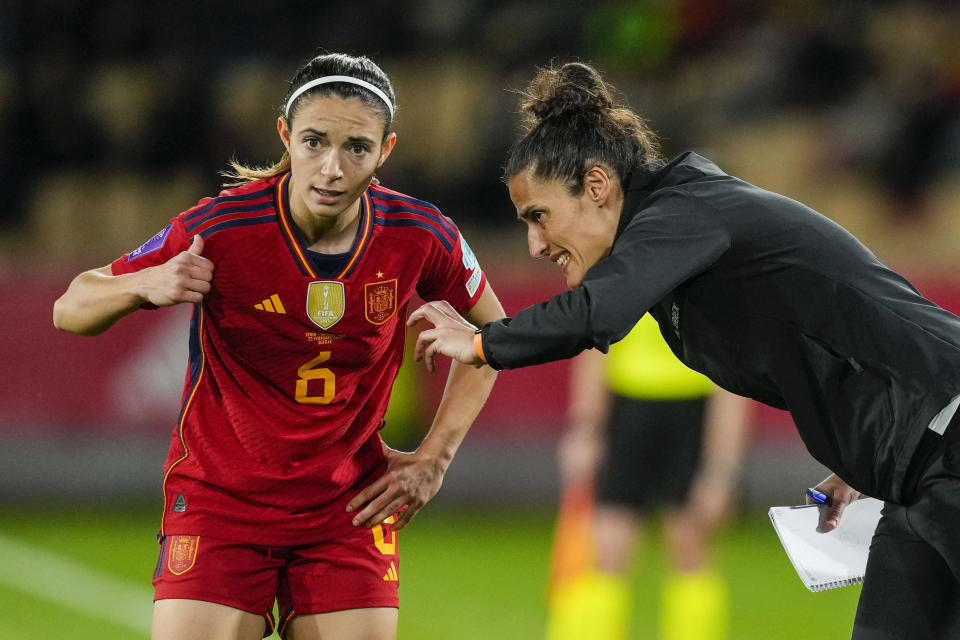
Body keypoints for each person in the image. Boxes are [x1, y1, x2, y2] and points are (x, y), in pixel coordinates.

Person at [408, 61, 960, 639]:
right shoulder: (676, 235)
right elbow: (833, 337)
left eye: (539, 217)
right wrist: (859, 456)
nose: (534, 243)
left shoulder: (684, 210)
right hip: (910, 465)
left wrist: (479, 342)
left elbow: (597, 312)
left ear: (597, 186)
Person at [53, 52, 505, 640]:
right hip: (222, 503)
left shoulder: (420, 235)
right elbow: (70, 308)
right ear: (285, 136)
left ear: (386, 150)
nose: (332, 169)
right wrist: (143, 284)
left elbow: (497, 339)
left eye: (357, 148)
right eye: (315, 141)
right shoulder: (221, 228)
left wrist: (433, 459)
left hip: (348, 506)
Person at [546, 315, 750, 640]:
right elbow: (596, 343)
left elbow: (735, 377)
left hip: (695, 411)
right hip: (627, 409)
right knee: (607, 547)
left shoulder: (715, 273)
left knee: (690, 543)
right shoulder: (619, 266)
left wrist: (721, 470)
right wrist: (585, 428)